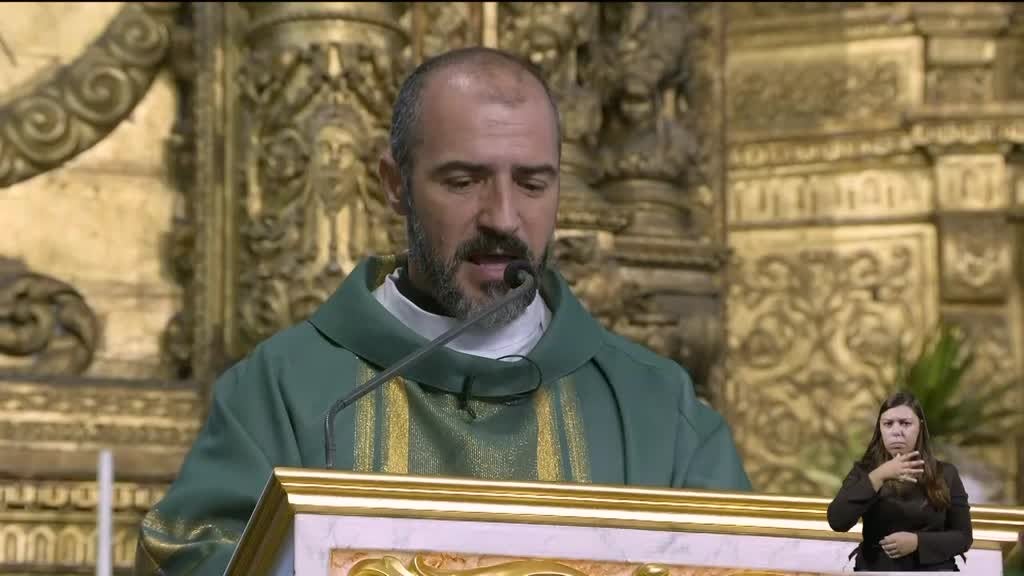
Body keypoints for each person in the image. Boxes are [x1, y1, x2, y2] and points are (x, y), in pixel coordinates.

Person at [133, 46, 751, 575]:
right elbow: (191, 554)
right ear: (394, 184)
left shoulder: (659, 409)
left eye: (533, 183)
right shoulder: (282, 390)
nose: (503, 218)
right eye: (463, 181)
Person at [827, 391, 973, 571]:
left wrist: (918, 542)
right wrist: (879, 475)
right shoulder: (865, 471)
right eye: (888, 424)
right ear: (880, 429)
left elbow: (963, 537)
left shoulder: (946, 473)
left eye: (905, 423)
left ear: (920, 427)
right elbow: (837, 521)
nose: (896, 431)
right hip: (877, 569)